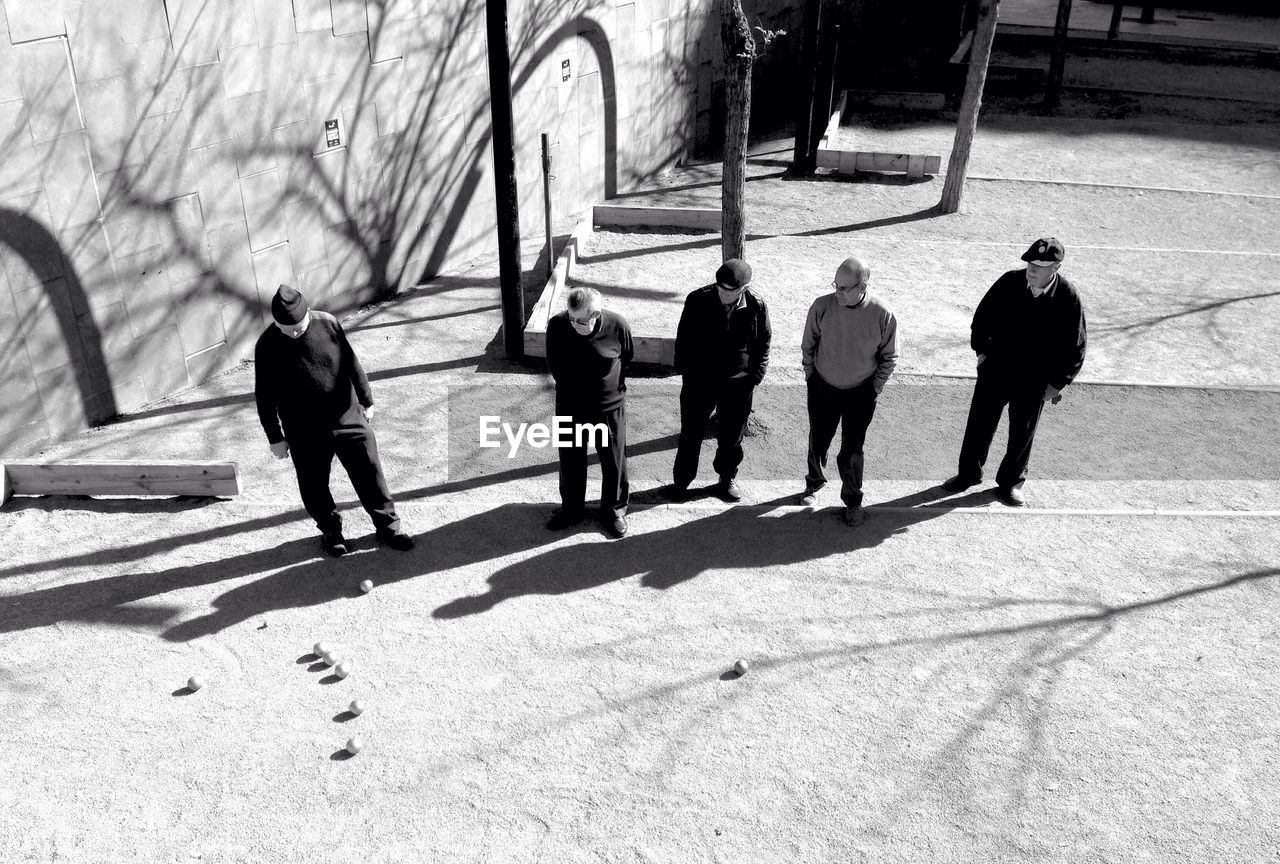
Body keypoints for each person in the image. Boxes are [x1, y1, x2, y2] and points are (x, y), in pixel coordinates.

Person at [254, 284, 413, 556]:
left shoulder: (327, 323)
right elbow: (264, 395)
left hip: (347, 417)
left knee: (370, 473)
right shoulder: (267, 344)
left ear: (307, 314)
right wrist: (275, 438)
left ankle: (388, 526)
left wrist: (367, 399)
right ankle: (331, 532)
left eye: (298, 326)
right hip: (303, 429)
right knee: (313, 485)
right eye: (286, 328)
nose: (294, 332)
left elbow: (351, 363)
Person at [943, 236, 1088, 506]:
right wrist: (982, 354)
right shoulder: (1009, 282)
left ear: (1055, 268)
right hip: (996, 371)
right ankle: (967, 475)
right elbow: (981, 318)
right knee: (979, 425)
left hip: (1035, 380)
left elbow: (1076, 346)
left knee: (1023, 432)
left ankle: (1010, 482)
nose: (1031, 269)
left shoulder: (1068, 297)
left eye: (1040, 265)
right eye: (1030, 262)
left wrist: (1057, 384)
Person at [799, 256, 899, 526]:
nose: (838, 292)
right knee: (818, 438)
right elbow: (808, 344)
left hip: (861, 393)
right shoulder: (821, 306)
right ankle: (814, 483)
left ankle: (853, 500)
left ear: (863, 284)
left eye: (845, 288)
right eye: (836, 286)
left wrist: (875, 386)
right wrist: (811, 375)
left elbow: (890, 357)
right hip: (822, 386)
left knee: (853, 448)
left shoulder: (883, 313)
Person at [671, 258, 772, 502]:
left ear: (744, 289)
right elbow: (683, 339)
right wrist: (688, 373)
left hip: (738, 384)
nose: (723, 294)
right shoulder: (697, 300)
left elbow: (764, 342)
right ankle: (682, 482)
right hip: (700, 383)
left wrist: (755, 377)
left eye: (730, 291)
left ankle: (727, 478)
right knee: (690, 434)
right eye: (720, 288)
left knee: (732, 436)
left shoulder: (757, 306)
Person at [545, 286, 633, 538]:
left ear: (595, 314)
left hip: (608, 408)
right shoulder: (558, 325)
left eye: (580, 320)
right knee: (571, 460)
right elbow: (553, 362)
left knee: (614, 461)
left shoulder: (617, 325)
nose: (573, 324)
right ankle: (571, 510)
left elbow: (626, 358)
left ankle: (614, 510)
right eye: (571, 318)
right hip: (570, 407)